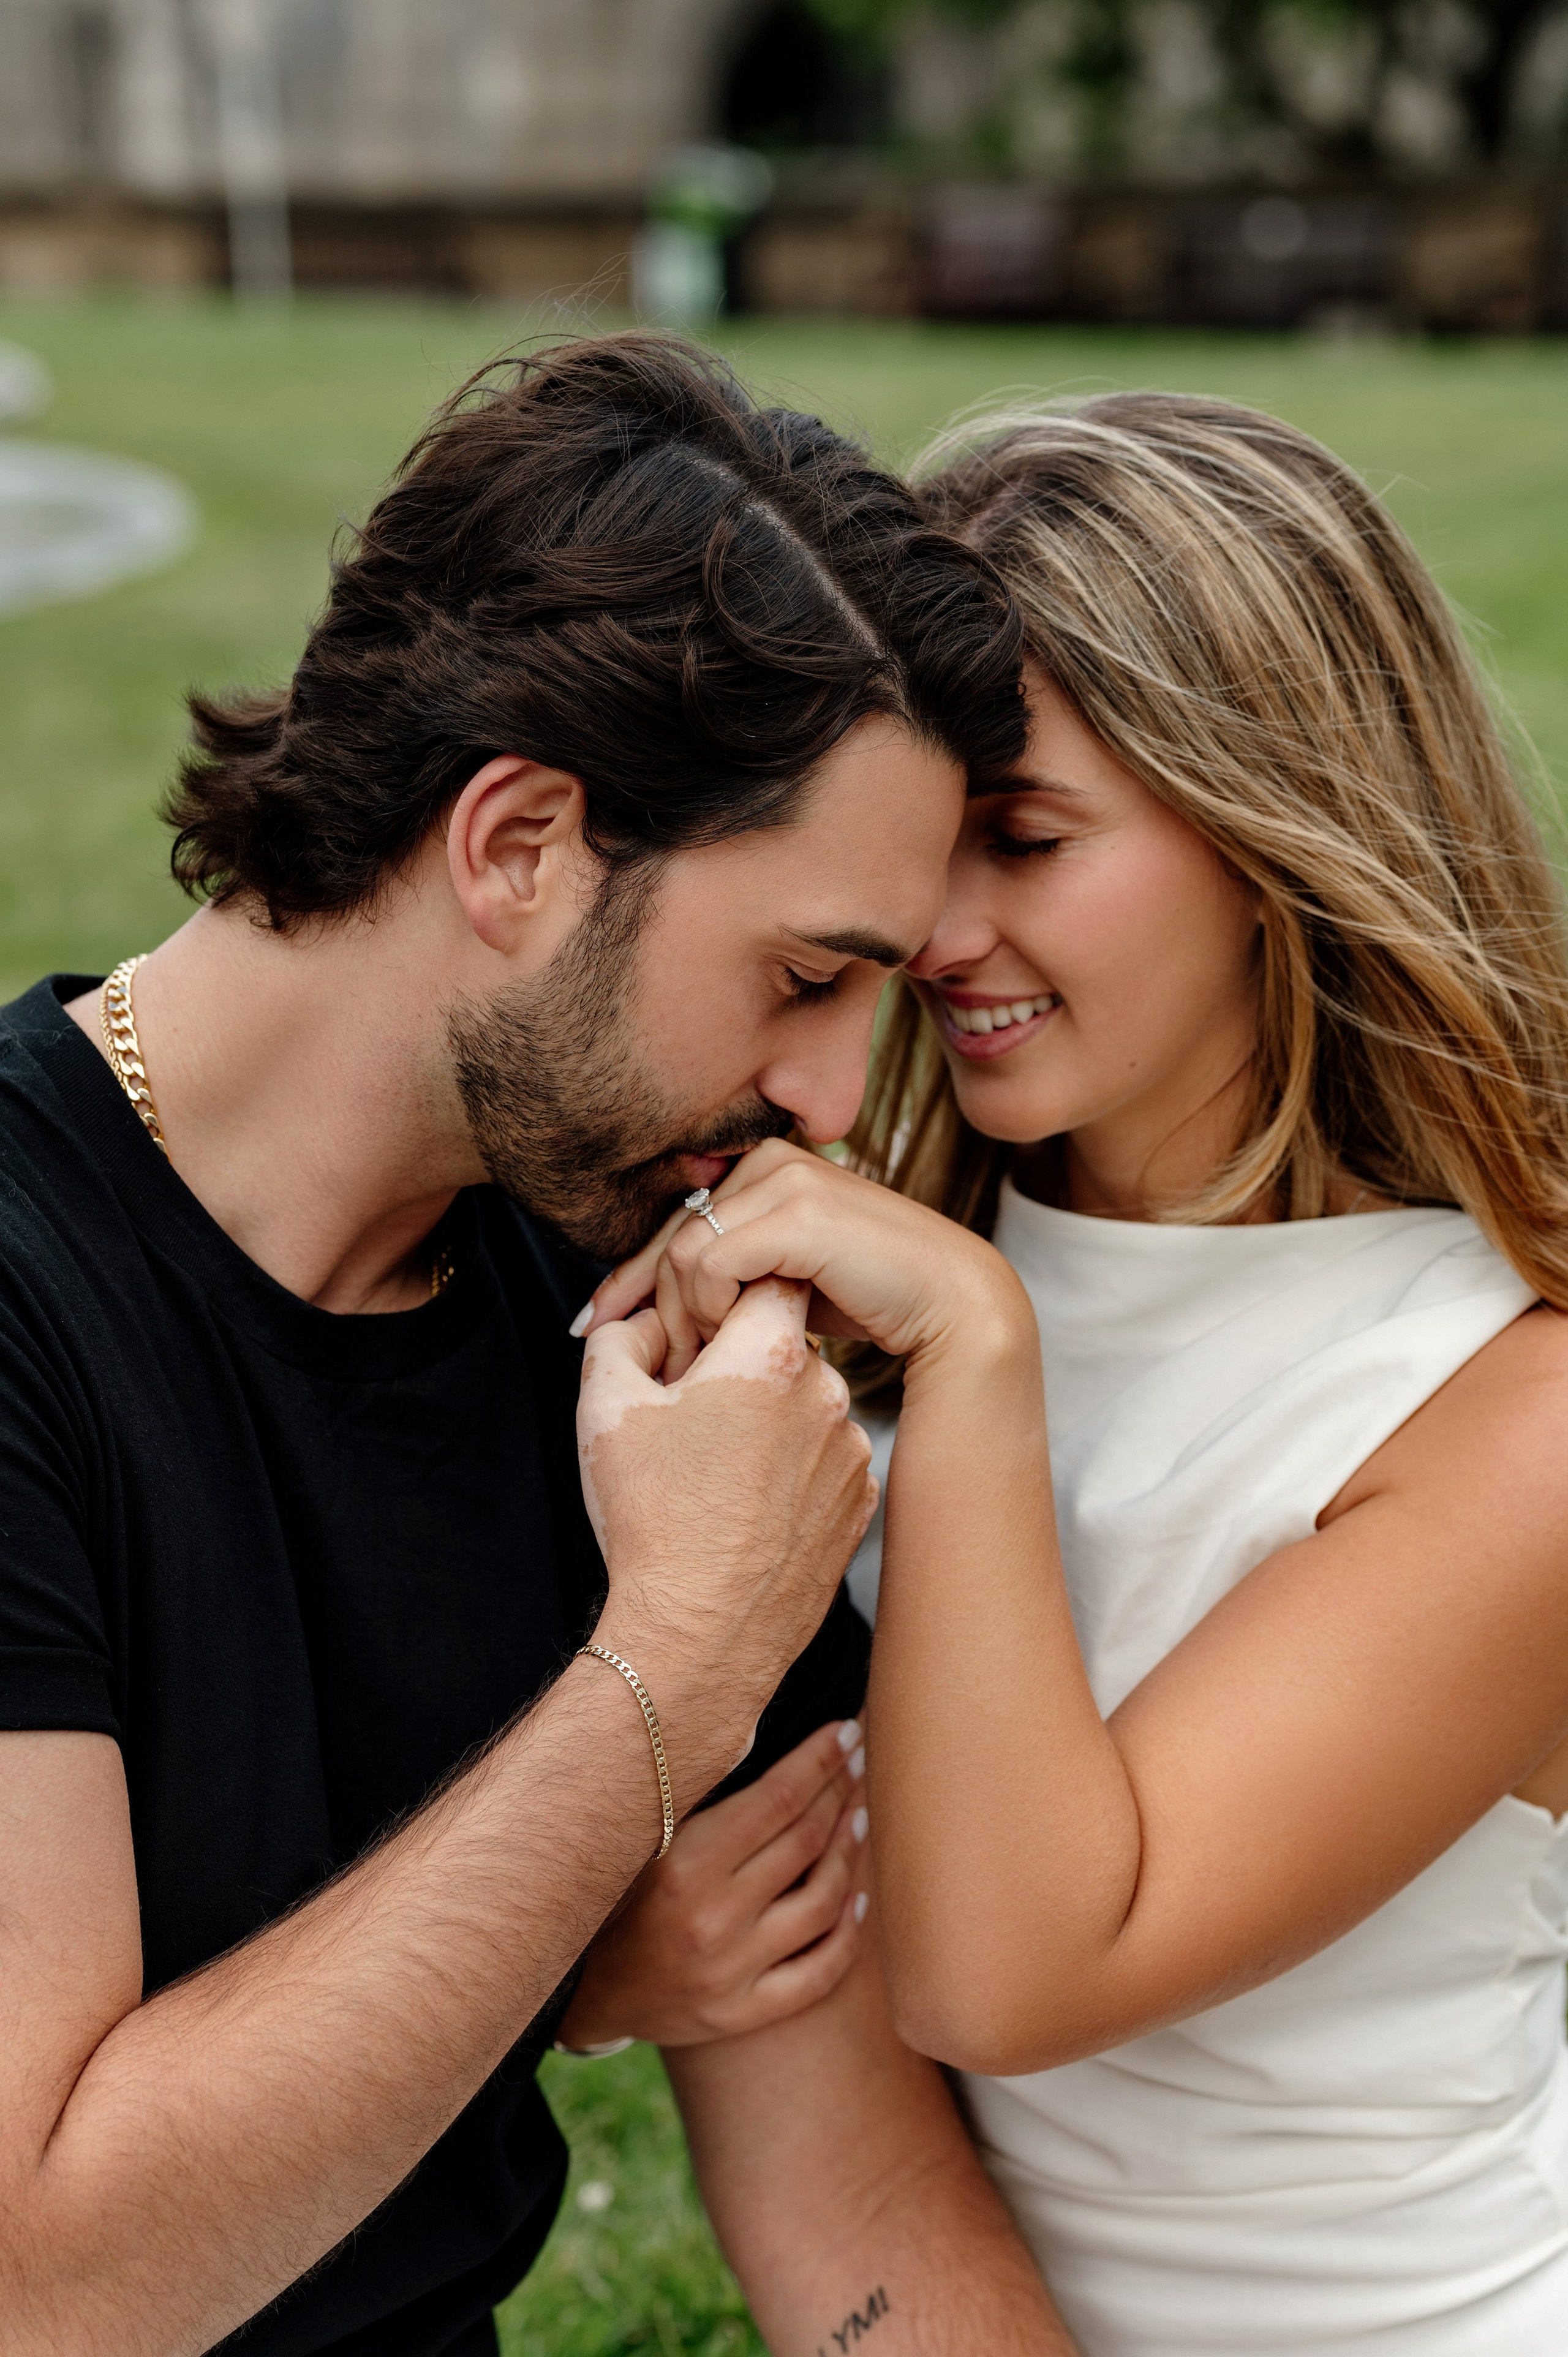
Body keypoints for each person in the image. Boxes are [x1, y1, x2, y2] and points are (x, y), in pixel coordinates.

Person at [0, 333, 1073, 2356]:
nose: (838, 1101)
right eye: (803, 974)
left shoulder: (639, 1313)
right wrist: (672, 1661)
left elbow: (848, 2196)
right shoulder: (26, 1295)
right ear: (516, 844)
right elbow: (47, 2280)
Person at [587, 392, 1568, 2353]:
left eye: (1025, 840)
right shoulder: (866, 1278)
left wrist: (974, 1354)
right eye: (923, 848)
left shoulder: (1505, 1408)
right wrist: (594, 1963)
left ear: (1280, 825)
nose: (940, 933)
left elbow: (1016, 1972)